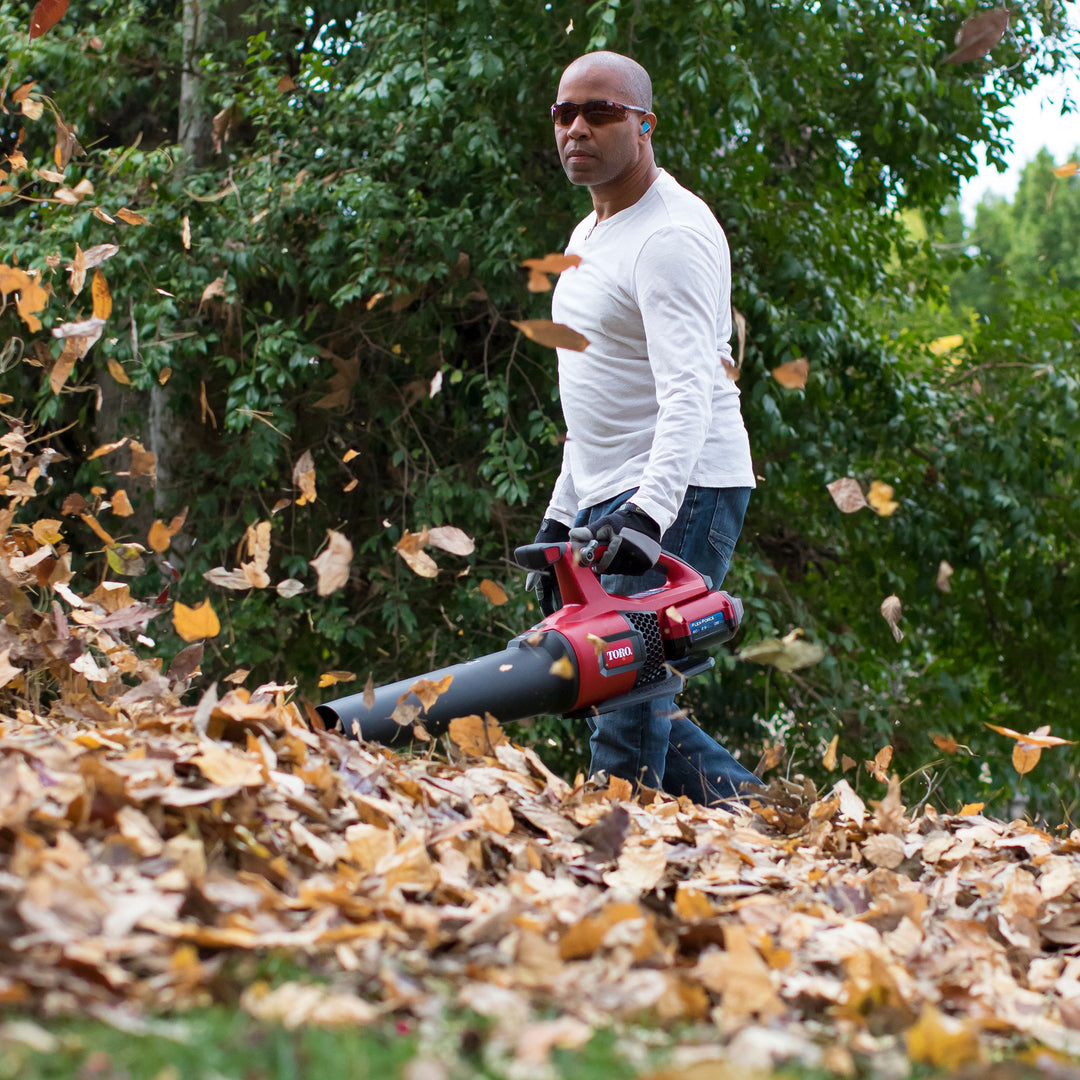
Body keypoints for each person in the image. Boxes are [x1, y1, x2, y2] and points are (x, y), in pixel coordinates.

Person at [529, 50, 762, 806]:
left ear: (645, 126)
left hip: (682, 487)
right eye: (565, 113)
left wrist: (648, 516)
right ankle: (762, 820)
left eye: (601, 112)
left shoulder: (670, 237)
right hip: (613, 488)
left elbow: (689, 390)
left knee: (624, 688)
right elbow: (592, 395)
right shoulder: (590, 232)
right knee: (612, 688)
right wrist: (563, 515)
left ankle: (608, 870)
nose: (577, 128)